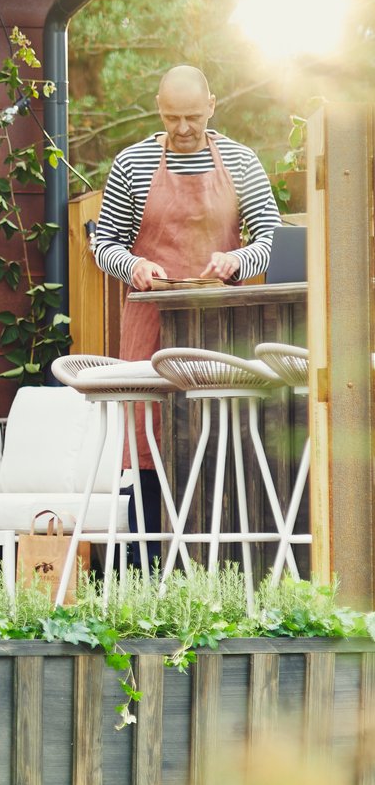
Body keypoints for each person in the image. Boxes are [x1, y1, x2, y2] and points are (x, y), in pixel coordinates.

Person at [92, 64, 279, 561]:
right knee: (150, 448)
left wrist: (237, 259)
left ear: (212, 106)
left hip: (220, 329)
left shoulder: (241, 162)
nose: (182, 128)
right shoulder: (131, 164)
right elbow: (104, 244)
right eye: (172, 116)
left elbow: (268, 239)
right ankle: (149, 568)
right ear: (159, 107)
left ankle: (222, 563)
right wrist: (133, 264)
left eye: (192, 116)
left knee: (217, 440)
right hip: (150, 327)